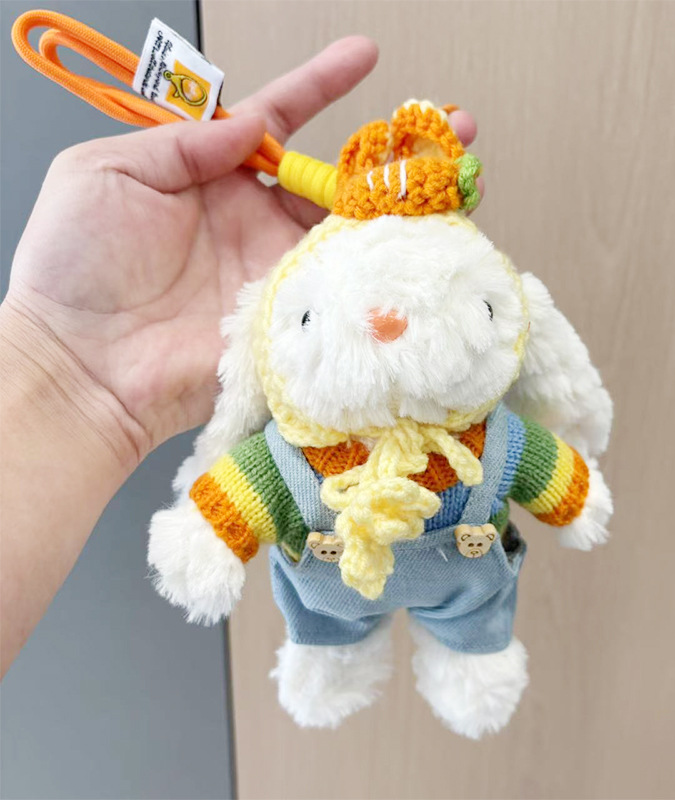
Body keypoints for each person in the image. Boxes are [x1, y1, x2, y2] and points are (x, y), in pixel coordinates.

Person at [0, 37, 481, 677]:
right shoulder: (291, 451)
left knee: (475, 645)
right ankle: (333, 666)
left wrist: (56, 365)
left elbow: (536, 459)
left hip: (466, 586)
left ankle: (472, 660)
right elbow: (245, 489)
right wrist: (53, 352)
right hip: (329, 599)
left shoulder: (485, 437)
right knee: (327, 645)